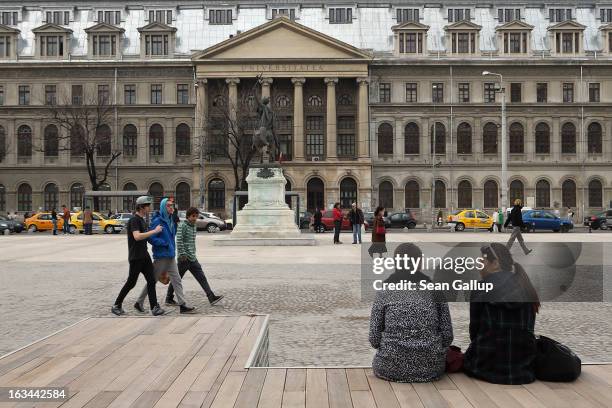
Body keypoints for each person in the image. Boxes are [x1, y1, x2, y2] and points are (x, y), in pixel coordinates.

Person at [370, 243, 453, 382]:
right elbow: (447, 337)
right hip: (431, 368)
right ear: (419, 263)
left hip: (389, 367)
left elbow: (374, 339)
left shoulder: (384, 291)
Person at [463, 243, 540, 384]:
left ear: (495, 263)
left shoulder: (481, 288)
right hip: (523, 367)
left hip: (486, 367)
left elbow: (474, 332)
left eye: (482, 261)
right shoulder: (525, 285)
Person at [135, 197, 196, 314]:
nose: (171, 207)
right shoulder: (158, 221)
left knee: (177, 279)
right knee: (152, 281)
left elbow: (172, 237)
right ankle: (139, 302)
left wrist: (172, 248)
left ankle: (182, 305)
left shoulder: (171, 220)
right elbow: (151, 238)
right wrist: (164, 244)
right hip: (161, 256)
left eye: (172, 205)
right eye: (168, 206)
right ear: (163, 207)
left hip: (171, 255)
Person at [112, 196, 166, 316]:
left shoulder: (142, 220)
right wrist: (155, 231)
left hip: (144, 256)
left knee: (152, 281)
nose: (149, 207)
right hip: (136, 257)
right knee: (131, 283)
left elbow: (146, 236)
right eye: (148, 205)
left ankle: (154, 307)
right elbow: (137, 236)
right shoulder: (134, 220)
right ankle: (116, 305)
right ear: (141, 207)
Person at [166, 207, 224, 306]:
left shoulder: (194, 226)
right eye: (193, 216)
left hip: (192, 257)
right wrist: (183, 254)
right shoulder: (182, 226)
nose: (195, 218)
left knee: (201, 277)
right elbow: (179, 241)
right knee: (176, 279)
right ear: (188, 216)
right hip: (183, 259)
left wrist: (193, 253)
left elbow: (192, 242)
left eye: (196, 216)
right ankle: (169, 298)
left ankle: (211, 297)